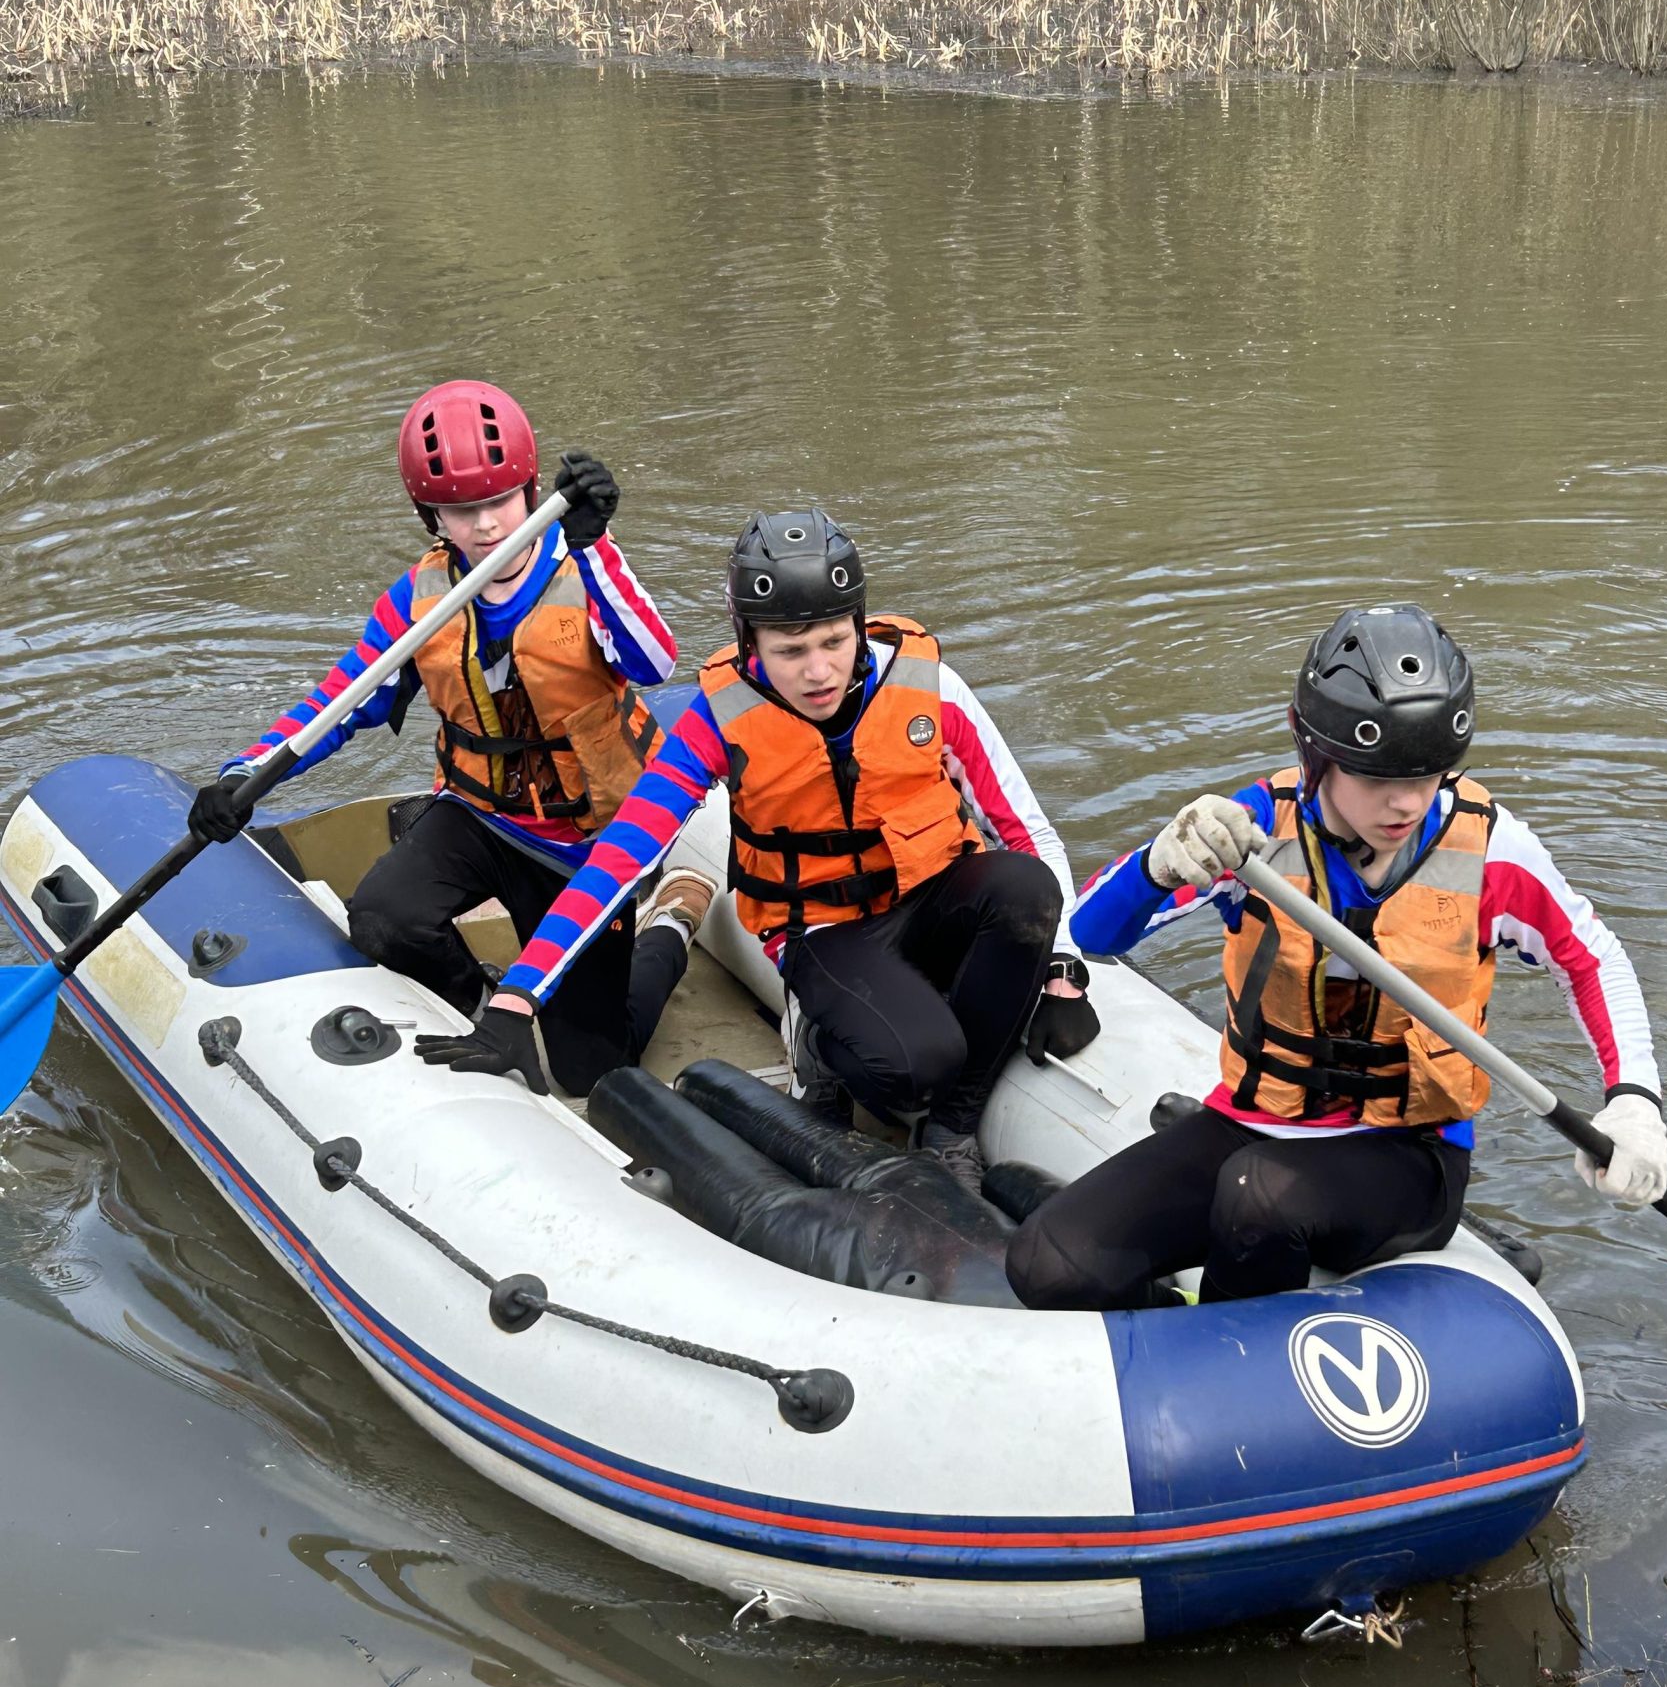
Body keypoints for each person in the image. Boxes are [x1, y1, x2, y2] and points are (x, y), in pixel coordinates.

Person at [1007, 602, 1667, 1309]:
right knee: (1049, 1265)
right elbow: (1097, 935)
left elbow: (1591, 959)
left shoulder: (1491, 848)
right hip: (1254, 1121)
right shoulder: (1256, 832)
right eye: (1379, 776)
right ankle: (1183, 1334)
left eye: (1427, 774)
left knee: (1256, 1197)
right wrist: (1157, 865)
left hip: (1408, 1155)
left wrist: (1634, 1101)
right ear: (1314, 752)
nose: (1407, 802)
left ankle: (1241, 1358)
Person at [417, 510, 1099, 1185]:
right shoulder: (717, 718)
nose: (819, 672)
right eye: (791, 651)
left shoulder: (928, 687)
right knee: (916, 1066)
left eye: (834, 641)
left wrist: (1062, 965)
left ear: (859, 624)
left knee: (1024, 890)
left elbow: (1026, 829)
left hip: (930, 898)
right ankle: (821, 1044)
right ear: (751, 645)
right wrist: (518, 994)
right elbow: (621, 856)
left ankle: (953, 1128)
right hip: (823, 930)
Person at [187, 378, 696, 1089]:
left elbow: (655, 659)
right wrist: (246, 773)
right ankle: (477, 1005)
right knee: (384, 917)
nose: (486, 525)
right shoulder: (418, 600)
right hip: (477, 817)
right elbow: (341, 702)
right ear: (432, 515)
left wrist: (598, 544)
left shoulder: (583, 566)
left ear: (528, 491)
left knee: (595, 1071)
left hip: (588, 837)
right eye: (462, 510)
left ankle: (671, 924)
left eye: (499, 501)